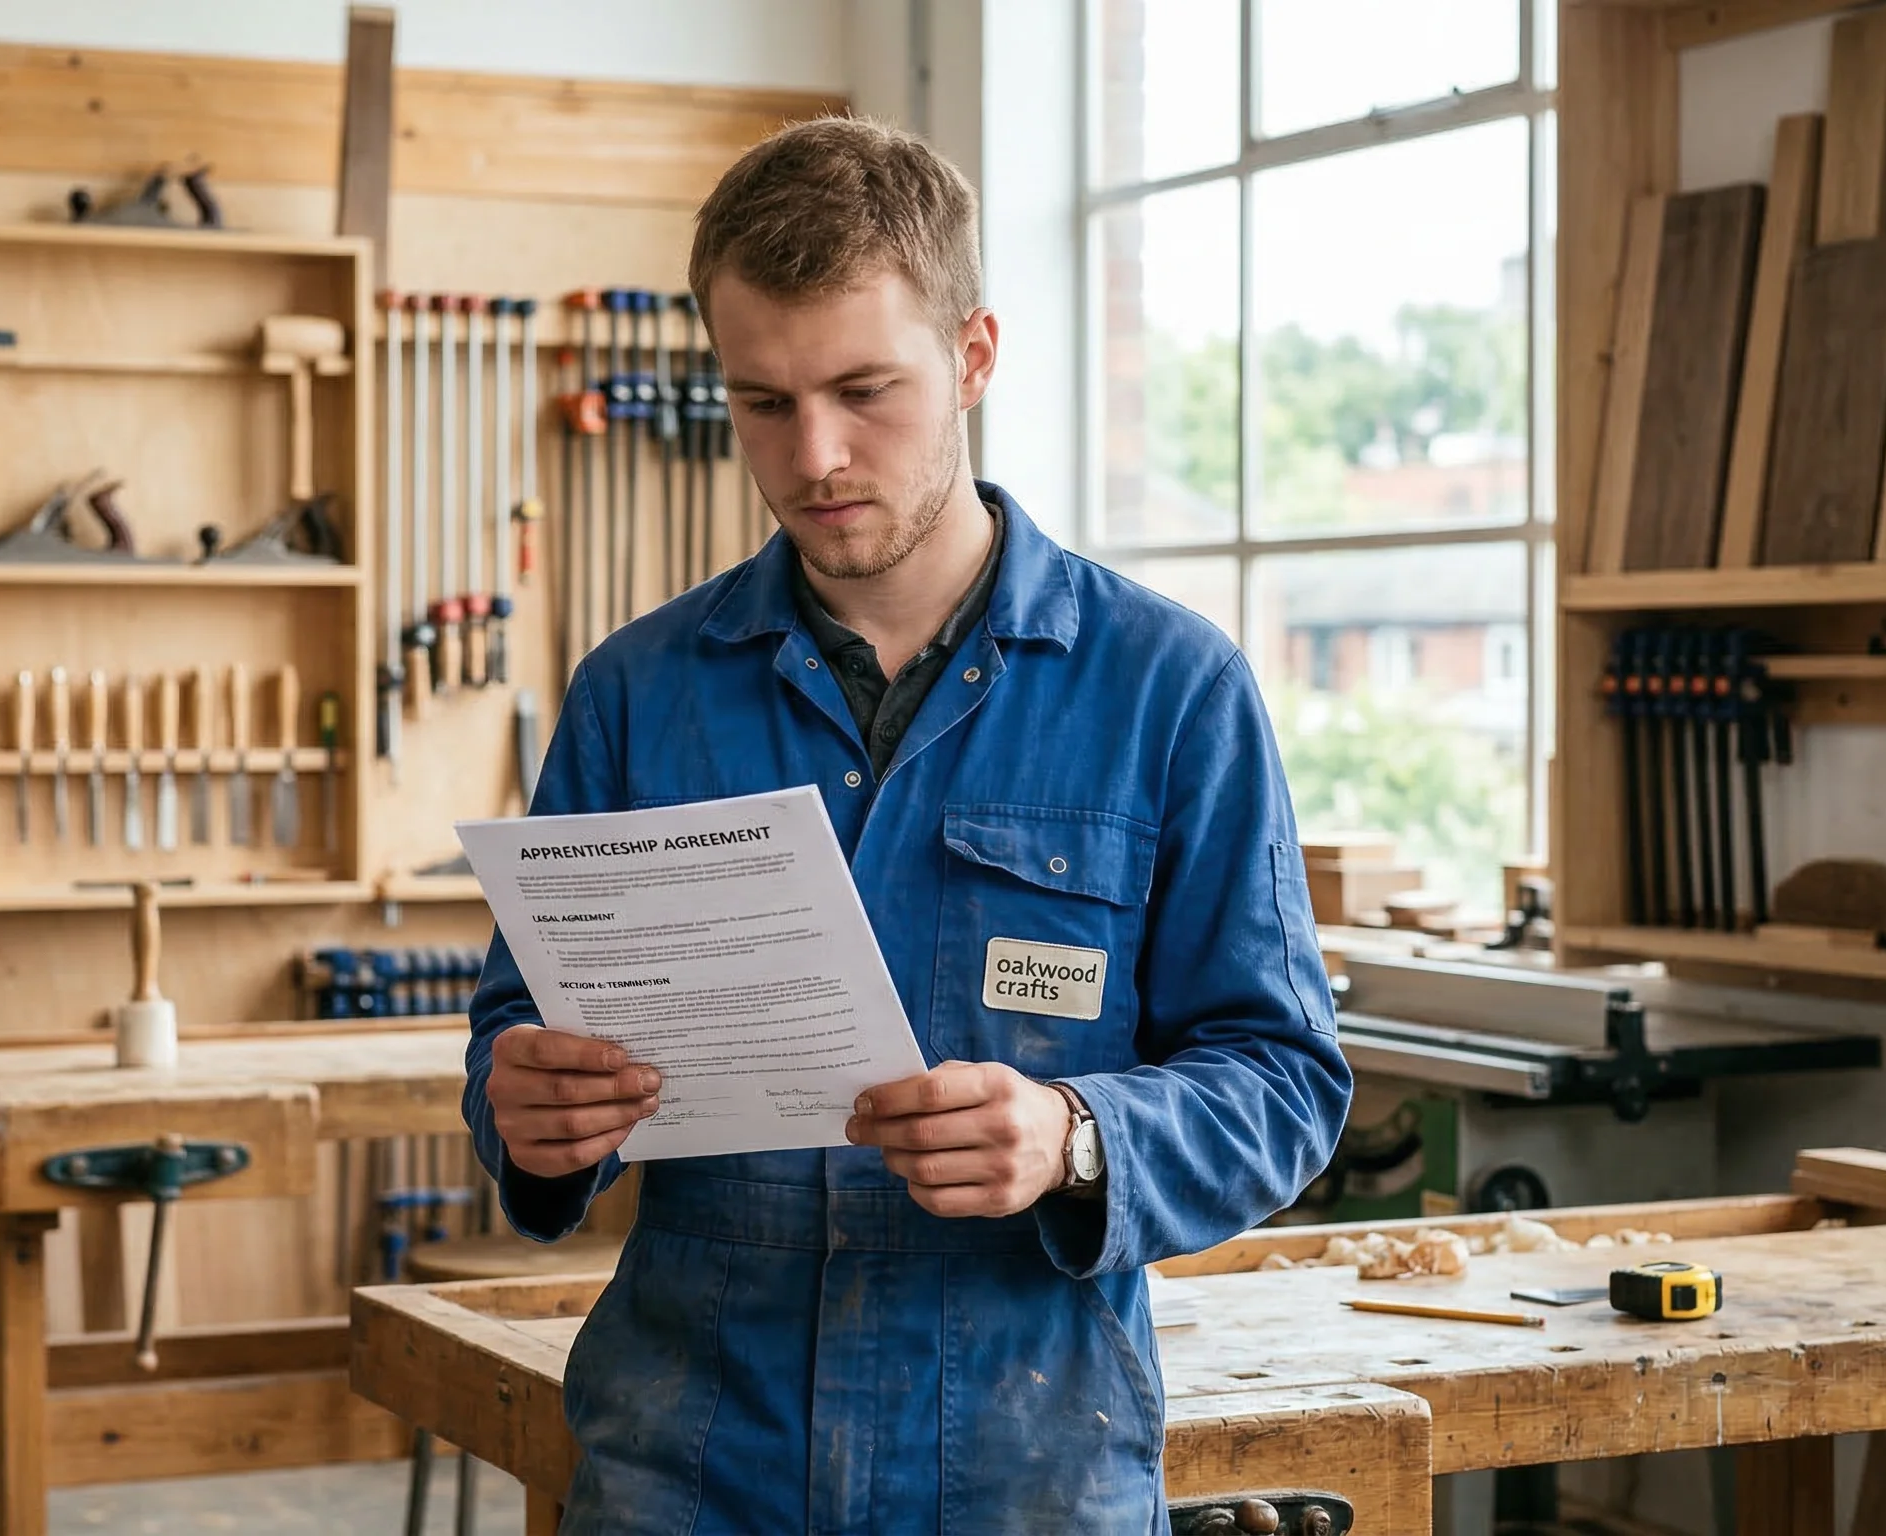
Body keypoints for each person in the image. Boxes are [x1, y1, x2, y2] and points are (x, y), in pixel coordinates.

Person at [462, 117, 1353, 1531]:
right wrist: (525, 1108)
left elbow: (1286, 1081)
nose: (814, 456)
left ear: (975, 355)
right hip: (687, 1471)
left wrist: (1077, 1135)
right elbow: (518, 1028)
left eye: (866, 390)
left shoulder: (1170, 691)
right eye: (762, 403)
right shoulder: (636, 695)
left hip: (1019, 1473)